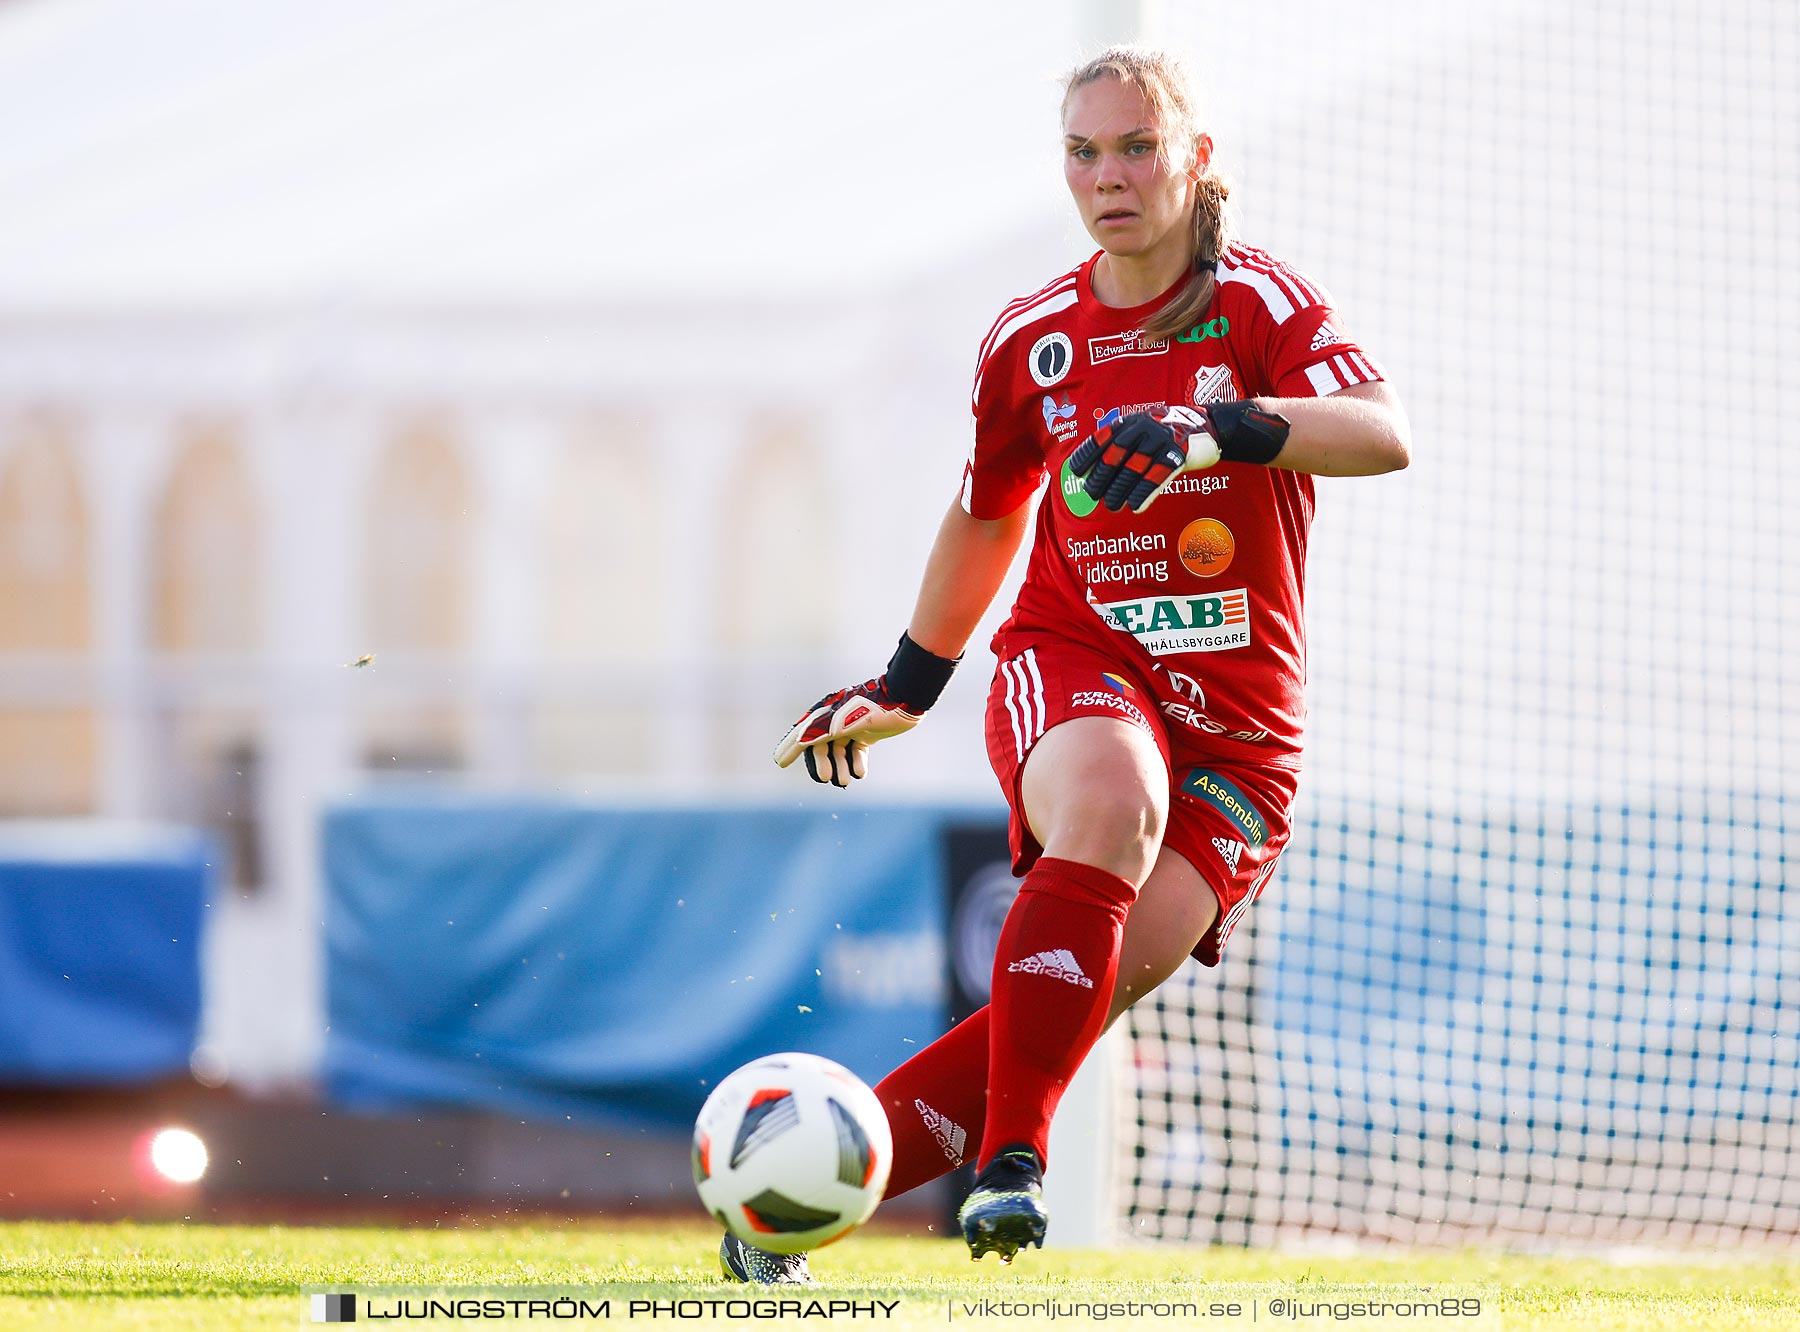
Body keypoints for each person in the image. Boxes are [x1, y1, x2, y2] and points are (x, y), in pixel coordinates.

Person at [730, 44, 1410, 1284]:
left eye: (1138, 146)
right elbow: (991, 514)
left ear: (1195, 157)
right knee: (1109, 797)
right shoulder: (1034, 339)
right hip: (1076, 659)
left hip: (1245, 743)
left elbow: (1380, 433)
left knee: (1059, 1007)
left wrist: (1216, 429)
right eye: (1084, 151)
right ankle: (1014, 1174)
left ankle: (791, 1190)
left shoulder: (1261, 305)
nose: (1110, 175)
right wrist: (907, 684)